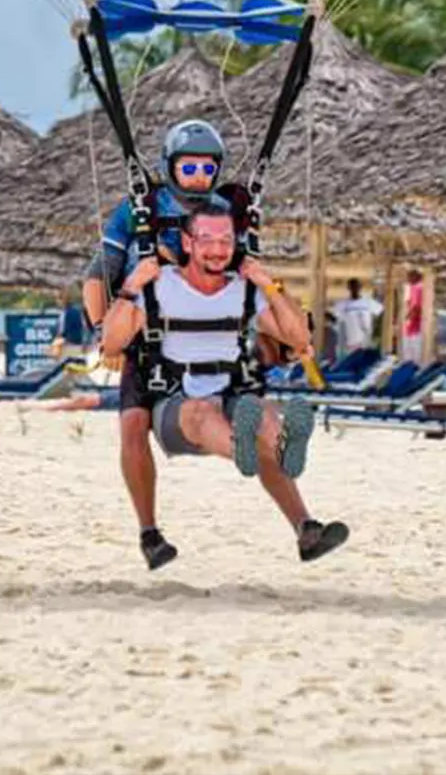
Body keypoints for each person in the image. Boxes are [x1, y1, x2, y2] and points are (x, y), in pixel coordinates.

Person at [102, 202, 349, 567]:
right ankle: (247, 451)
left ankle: (301, 508)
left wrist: (271, 286)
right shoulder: (157, 287)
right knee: (202, 412)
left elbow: (299, 341)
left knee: (262, 412)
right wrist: (130, 286)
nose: (217, 249)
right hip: (177, 408)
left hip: (231, 398)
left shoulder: (245, 291)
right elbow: (110, 343)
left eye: (226, 240)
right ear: (187, 243)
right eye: (207, 240)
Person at [82, 120, 238, 565]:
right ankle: (149, 533)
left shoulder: (222, 212)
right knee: (132, 426)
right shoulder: (137, 210)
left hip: (200, 337)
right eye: (188, 168)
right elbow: (98, 277)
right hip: (143, 340)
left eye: (207, 169)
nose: (198, 178)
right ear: (170, 167)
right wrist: (101, 334)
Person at [331, 278, 384, 357]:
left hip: (366, 342)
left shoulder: (368, 302)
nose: (354, 289)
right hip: (350, 343)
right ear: (348, 288)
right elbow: (334, 318)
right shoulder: (342, 305)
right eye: (352, 287)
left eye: (356, 286)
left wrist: (377, 334)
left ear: (360, 287)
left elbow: (381, 312)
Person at [401, 270, 425, 360]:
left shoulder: (418, 288)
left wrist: (409, 316)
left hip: (415, 328)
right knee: (410, 354)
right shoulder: (411, 288)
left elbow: (416, 307)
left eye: (410, 276)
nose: (408, 279)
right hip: (411, 328)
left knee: (413, 355)